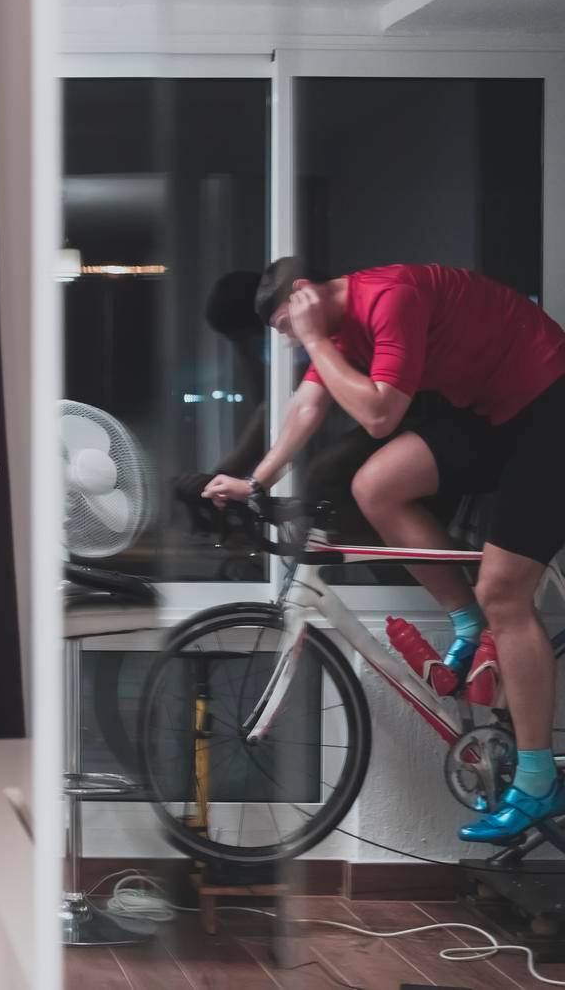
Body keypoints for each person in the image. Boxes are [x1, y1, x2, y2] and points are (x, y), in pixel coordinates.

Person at [202, 258, 565, 844]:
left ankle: (538, 777)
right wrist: (258, 482)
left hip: (551, 406)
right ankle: (466, 622)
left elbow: (378, 414)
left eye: (286, 328)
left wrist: (315, 338)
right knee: (375, 487)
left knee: (505, 591)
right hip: (494, 413)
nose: (293, 342)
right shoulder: (336, 323)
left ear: (302, 295)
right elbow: (308, 406)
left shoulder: (391, 298)